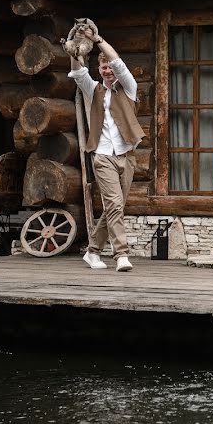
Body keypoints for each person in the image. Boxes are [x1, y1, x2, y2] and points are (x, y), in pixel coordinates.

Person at [68, 27, 146, 272]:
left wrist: (97, 40)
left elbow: (119, 63)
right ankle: (121, 254)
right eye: (104, 68)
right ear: (99, 70)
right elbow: (78, 72)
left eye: (110, 67)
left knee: (116, 207)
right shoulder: (94, 90)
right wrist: (73, 49)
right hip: (102, 156)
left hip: (126, 155)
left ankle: (92, 252)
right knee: (113, 203)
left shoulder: (129, 87)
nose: (108, 70)